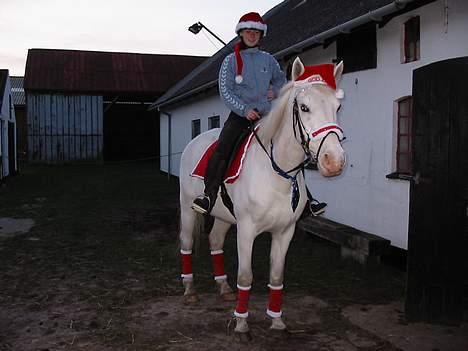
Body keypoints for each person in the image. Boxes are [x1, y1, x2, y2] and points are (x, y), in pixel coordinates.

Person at [192, 12, 327, 216]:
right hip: (240, 116)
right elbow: (225, 91)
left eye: (256, 32)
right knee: (223, 147)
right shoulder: (230, 61)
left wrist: (276, 92)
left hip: (267, 116)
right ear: (241, 34)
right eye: (248, 31)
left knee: (292, 147)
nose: (252, 35)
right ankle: (208, 195)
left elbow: (282, 83)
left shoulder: (269, 60)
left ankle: (307, 199)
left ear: (260, 35)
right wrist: (244, 110)